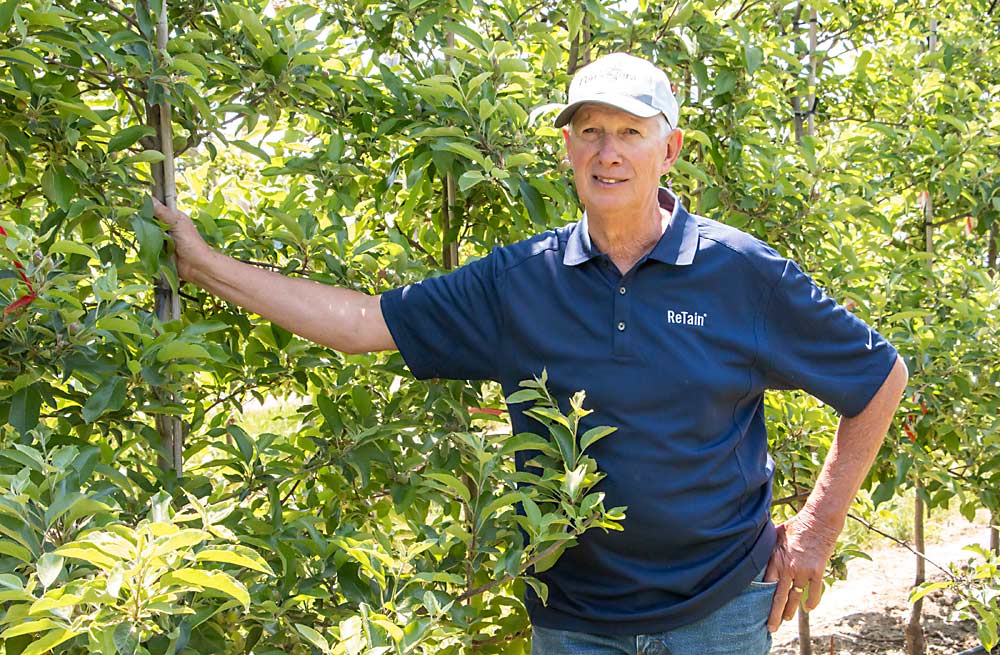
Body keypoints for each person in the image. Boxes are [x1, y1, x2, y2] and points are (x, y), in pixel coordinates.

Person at [154, 52, 908, 654]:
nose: (608, 153)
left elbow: (878, 377)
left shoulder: (741, 273)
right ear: (567, 150)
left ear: (669, 148)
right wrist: (206, 264)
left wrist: (814, 531)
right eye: (590, 133)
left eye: (630, 132)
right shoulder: (523, 281)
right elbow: (362, 322)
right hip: (572, 619)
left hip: (716, 611)